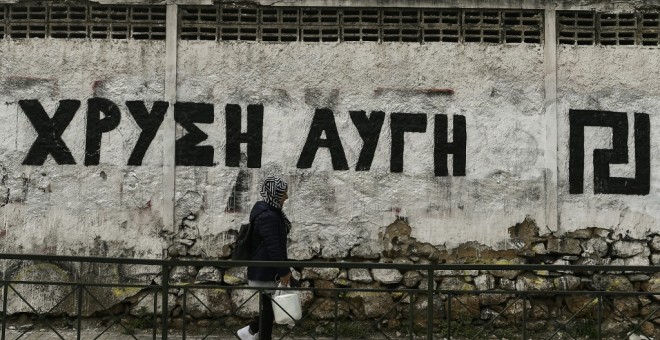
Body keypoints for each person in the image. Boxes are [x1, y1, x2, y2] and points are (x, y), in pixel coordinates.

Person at [237, 176, 292, 340]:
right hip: (266, 270)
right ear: (275, 194)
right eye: (283, 194)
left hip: (268, 269)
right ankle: (255, 333)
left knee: (269, 308)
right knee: (269, 309)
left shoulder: (272, 213)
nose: (286, 197)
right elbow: (273, 246)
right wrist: (283, 271)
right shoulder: (269, 216)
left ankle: (250, 332)